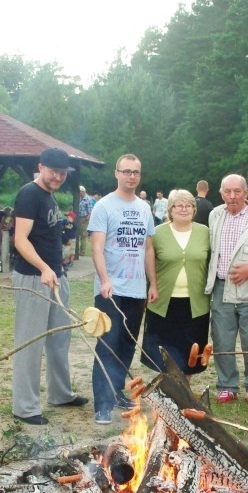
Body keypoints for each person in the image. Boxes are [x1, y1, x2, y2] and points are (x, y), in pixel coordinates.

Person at [10, 148, 89, 426]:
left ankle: (61, 393)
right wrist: (43, 267)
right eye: (53, 171)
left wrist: (57, 266)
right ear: (41, 167)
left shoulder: (49, 196)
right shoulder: (29, 194)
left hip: (56, 276)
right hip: (34, 278)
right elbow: (21, 240)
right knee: (30, 342)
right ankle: (25, 407)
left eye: (62, 172)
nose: (57, 176)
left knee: (59, 339)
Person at [89, 153, 156, 425]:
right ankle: (102, 404)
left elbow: (148, 247)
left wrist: (153, 283)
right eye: (126, 171)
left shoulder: (144, 208)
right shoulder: (103, 206)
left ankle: (116, 393)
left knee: (127, 345)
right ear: (116, 173)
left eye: (136, 172)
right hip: (110, 290)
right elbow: (96, 247)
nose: (131, 176)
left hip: (136, 290)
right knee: (107, 344)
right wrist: (105, 279)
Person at [205, 174, 248, 404]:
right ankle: (227, 385)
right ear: (221, 193)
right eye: (228, 192)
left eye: (237, 191)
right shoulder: (215, 215)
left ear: (246, 193)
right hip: (221, 288)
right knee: (222, 340)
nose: (232, 196)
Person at [140, 189, 211, 378]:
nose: (184, 209)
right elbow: (148, 261)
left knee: (190, 352)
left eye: (189, 205)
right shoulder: (158, 232)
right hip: (164, 301)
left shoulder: (205, 232)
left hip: (196, 303)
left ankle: (184, 391)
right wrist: (152, 286)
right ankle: (166, 389)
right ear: (170, 209)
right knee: (164, 352)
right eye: (179, 205)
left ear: (194, 210)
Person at [76, 185, 94, 257]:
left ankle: (82, 251)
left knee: (83, 235)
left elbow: (90, 211)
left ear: (82, 192)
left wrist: (86, 219)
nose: (78, 193)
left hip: (84, 218)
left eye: (79, 192)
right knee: (78, 234)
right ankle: (77, 250)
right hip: (78, 217)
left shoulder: (88, 199)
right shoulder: (80, 198)